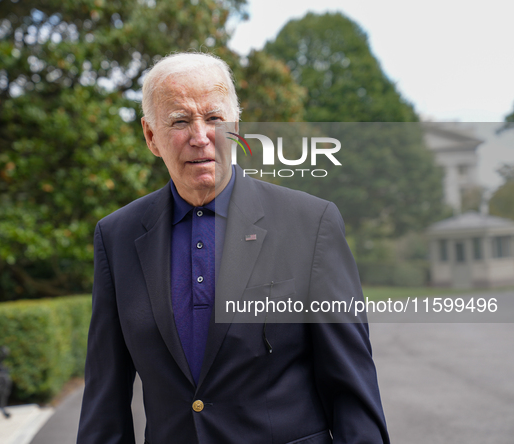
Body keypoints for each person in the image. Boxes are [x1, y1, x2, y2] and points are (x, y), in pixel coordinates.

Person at [77, 52, 389, 444]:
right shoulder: (116, 237)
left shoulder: (311, 224)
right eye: (179, 121)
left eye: (214, 118)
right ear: (150, 136)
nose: (200, 136)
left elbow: (353, 395)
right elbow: (104, 402)